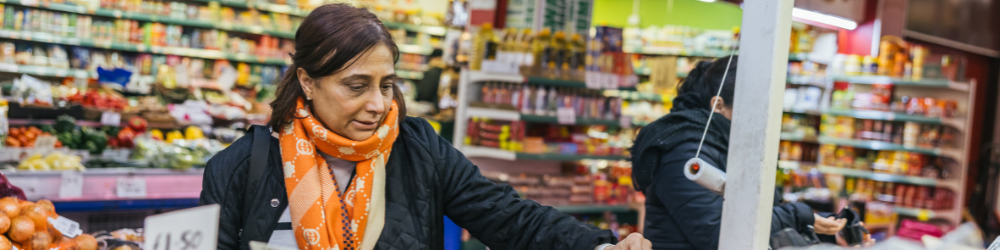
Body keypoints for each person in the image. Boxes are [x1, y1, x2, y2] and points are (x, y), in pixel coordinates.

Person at [199, 4, 652, 250]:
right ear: (307, 81)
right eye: (356, 86)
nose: (378, 104)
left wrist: (598, 247)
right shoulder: (242, 167)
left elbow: (507, 216)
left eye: (386, 84)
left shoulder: (417, 149)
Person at [630, 56, 864, 250]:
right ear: (718, 105)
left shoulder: (725, 143)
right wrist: (798, 214)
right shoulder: (684, 151)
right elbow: (717, 234)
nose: (762, 119)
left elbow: (758, 217)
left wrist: (827, 233)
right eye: (753, 108)